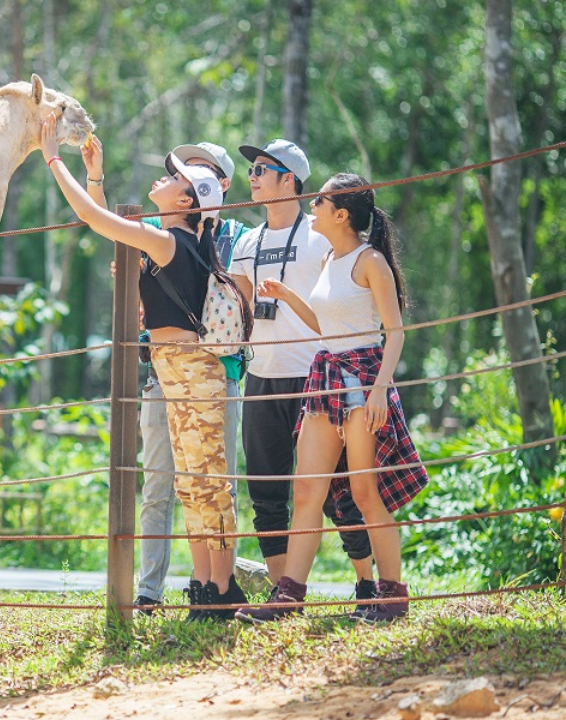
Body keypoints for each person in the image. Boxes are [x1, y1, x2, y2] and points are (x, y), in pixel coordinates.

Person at [41, 114, 247, 620]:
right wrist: (95, 175)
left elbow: (93, 218)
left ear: (185, 202)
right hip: (177, 368)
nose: (164, 176)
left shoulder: (170, 242)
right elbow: (109, 227)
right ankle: (205, 587)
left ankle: (221, 589)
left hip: (191, 370)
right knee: (193, 483)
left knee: (207, 481)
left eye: (174, 177)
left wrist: (51, 158)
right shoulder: (170, 240)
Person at [237, 173, 428, 623]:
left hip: (363, 379)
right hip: (326, 375)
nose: (312, 205)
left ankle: (392, 595)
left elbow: (394, 331)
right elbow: (324, 326)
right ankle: (289, 596)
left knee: (364, 491)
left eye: (319, 200)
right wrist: (286, 296)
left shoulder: (370, 261)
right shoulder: (327, 258)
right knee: (306, 489)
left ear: (341, 214)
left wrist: (381, 387)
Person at [227, 140, 376, 605]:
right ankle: (283, 594)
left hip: (317, 377)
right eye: (250, 169)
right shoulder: (246, 242)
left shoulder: (321, 235)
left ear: (288, 178)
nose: (251, 176)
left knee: (341, 493)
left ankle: (368, 584)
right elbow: (238, 310)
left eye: (260, 169)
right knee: (267, 492)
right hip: (262, 377)